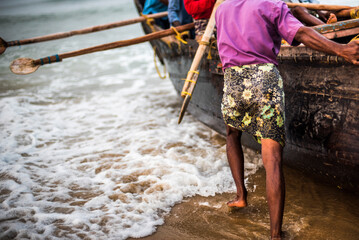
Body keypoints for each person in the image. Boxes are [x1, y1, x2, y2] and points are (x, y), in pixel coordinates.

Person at [215, 0, 359, 239]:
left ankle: (241, 197)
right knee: (271, 157)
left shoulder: (221, 8)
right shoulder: (271, 4)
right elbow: (301, 33)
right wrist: (341, 49)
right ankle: (275, 235)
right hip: (264, 82)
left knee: (232, 134)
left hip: (232, 82)